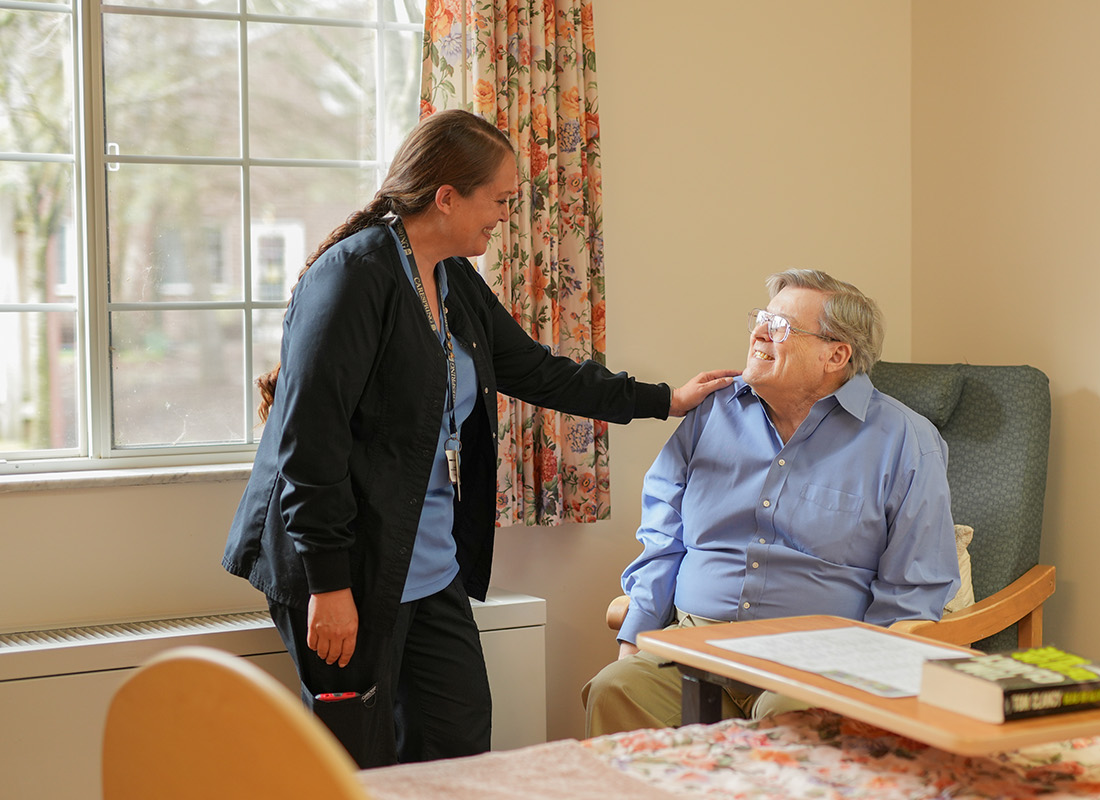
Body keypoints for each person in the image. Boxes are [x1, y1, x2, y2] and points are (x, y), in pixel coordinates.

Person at [222, 109, 736, 768]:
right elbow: (308, 448)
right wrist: (329, 585)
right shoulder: (356, 277)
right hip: (346, 565)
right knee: (358, 763)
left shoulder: (450, 276)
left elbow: (534, 370)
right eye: (498, 200)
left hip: (428, 561)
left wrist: (663, 400)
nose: (504, 216)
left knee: (458, 747)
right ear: (446, 197)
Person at [582, 269, 960, 737]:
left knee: (792, 721)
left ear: (836, 354)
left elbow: (915, 585)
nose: (759, 332)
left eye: (780, 326)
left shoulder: (905, 440)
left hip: (820, 660)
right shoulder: (711, 414)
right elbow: (663, 538)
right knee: (616, 689)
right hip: (696, 644)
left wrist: (868, 676)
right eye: (761, 319)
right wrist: (635, 636)